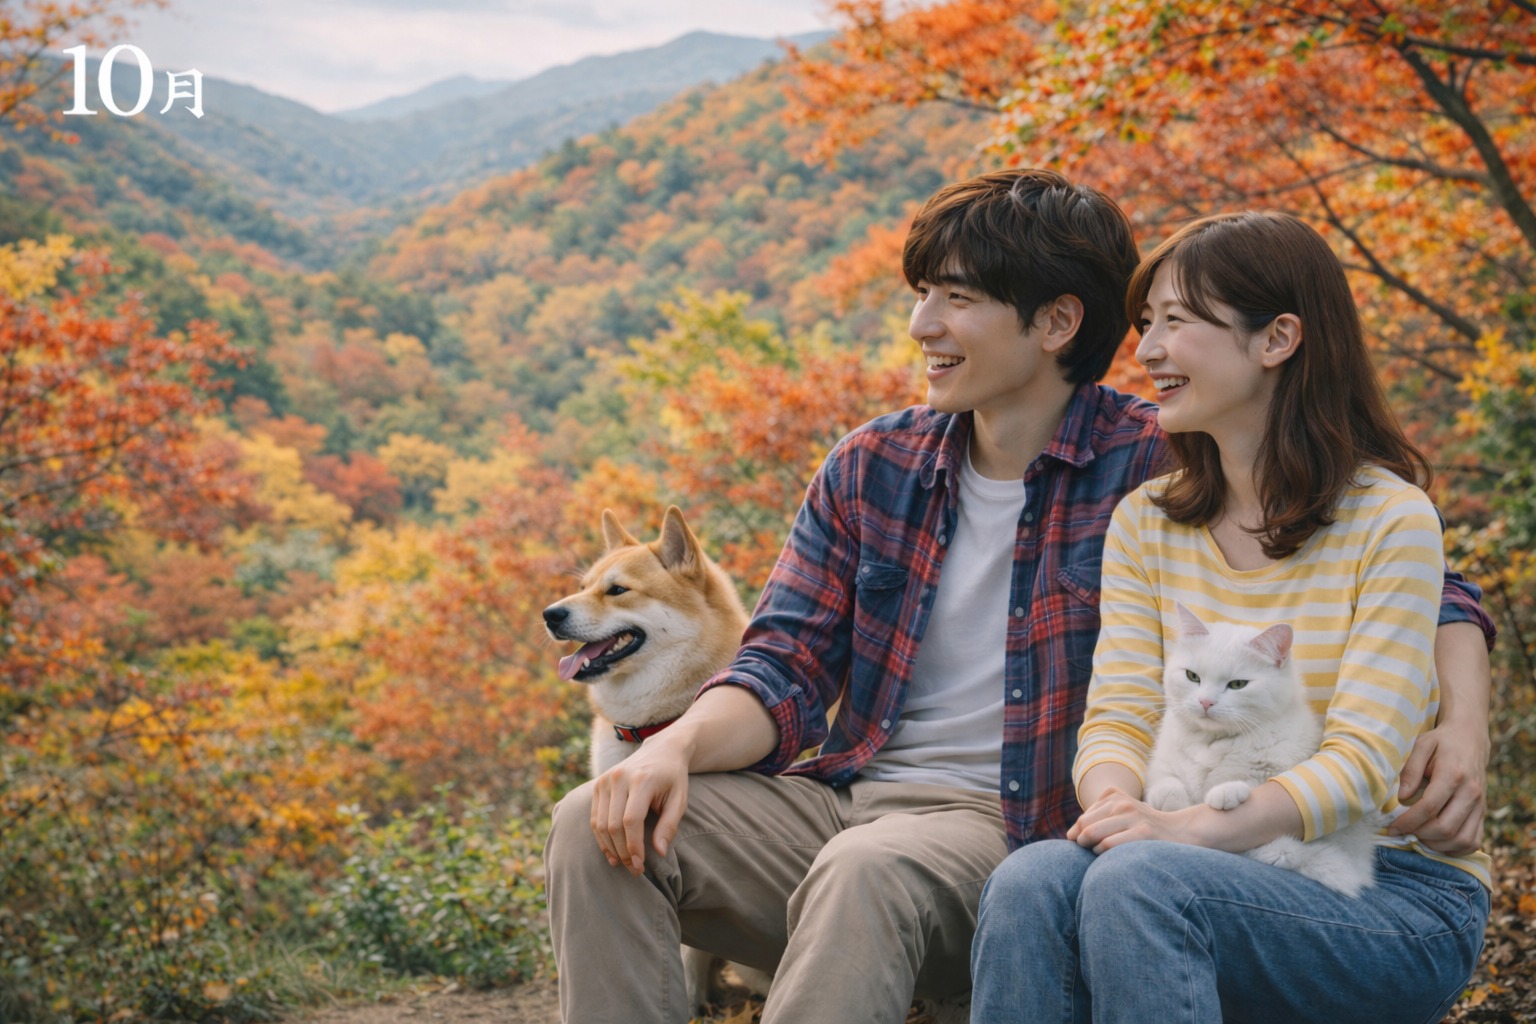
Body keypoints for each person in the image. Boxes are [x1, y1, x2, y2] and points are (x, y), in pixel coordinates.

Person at [543, 172, 1495, 1024]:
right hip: (851, 799)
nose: (922, 326)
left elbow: (1396, 563)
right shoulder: (875, 466)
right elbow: (781, 663)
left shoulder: (1158, 458)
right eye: (923, 296)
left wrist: (1463, 722)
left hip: (1007, 826)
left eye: (955, 299)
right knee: (597, 821)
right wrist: (666, 749)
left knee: (872, 871)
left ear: (1056, 323)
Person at [969, 210, 1493, 1024]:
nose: (1144, 351)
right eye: (1145, 325)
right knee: (1033, 879)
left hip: (1390, 885)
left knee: (1145, 881)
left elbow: (1360, 763)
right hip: (1194, 849)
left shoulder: (1390, 521)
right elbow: (1119, 715)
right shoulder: (1147, 521)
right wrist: (1119, 807)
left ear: (1277, 338)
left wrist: (1177, 833)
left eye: (1175, 322)